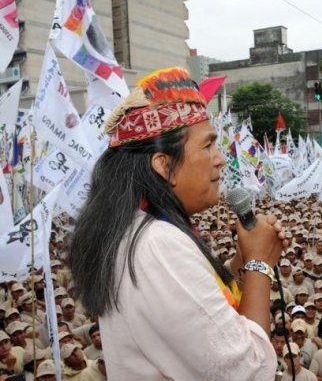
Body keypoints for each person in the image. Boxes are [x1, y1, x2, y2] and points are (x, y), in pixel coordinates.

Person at [68, 68, 287, 379]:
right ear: (164, 165)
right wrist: (259, 265)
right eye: (208, 145)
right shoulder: (157, 245)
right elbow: (248, 371)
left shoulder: (142, 234)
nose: (220, 159)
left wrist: (240, 261)